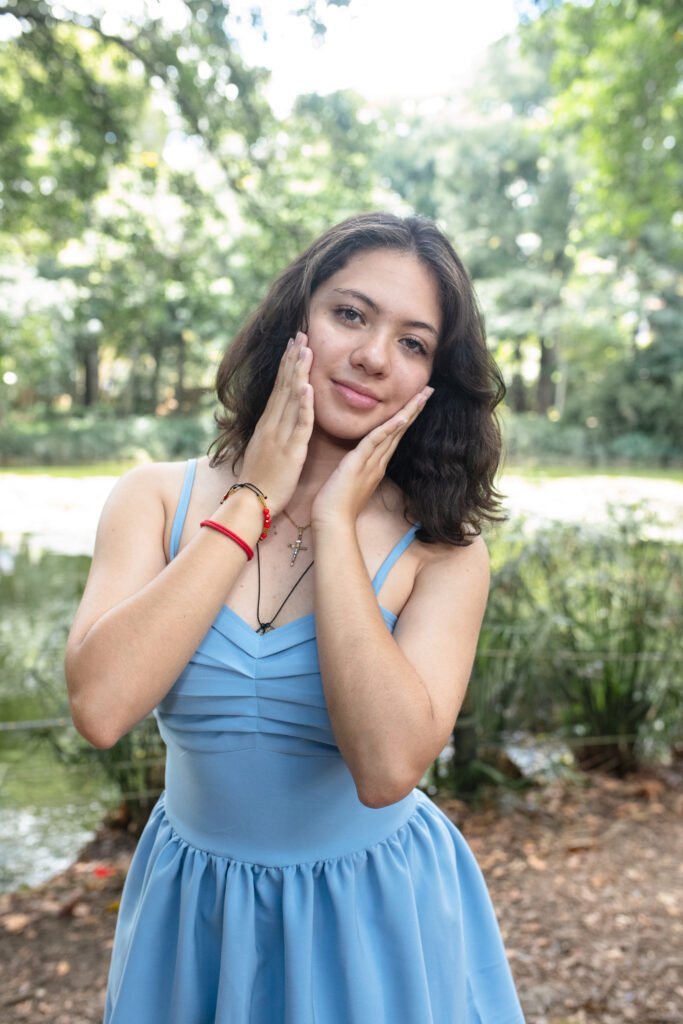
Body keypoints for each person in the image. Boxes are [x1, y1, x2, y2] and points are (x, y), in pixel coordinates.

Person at [65, 211, 526, 1024]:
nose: (373, 355)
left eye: (412, 343)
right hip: (195, 912)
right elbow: (100, 708)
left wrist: (337, 523)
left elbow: (386, 770)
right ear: (295, 321)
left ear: (433, 380)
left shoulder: (442, 553)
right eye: (350, 313)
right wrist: (254, 500)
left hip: (372, 916)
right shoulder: (155, 498)